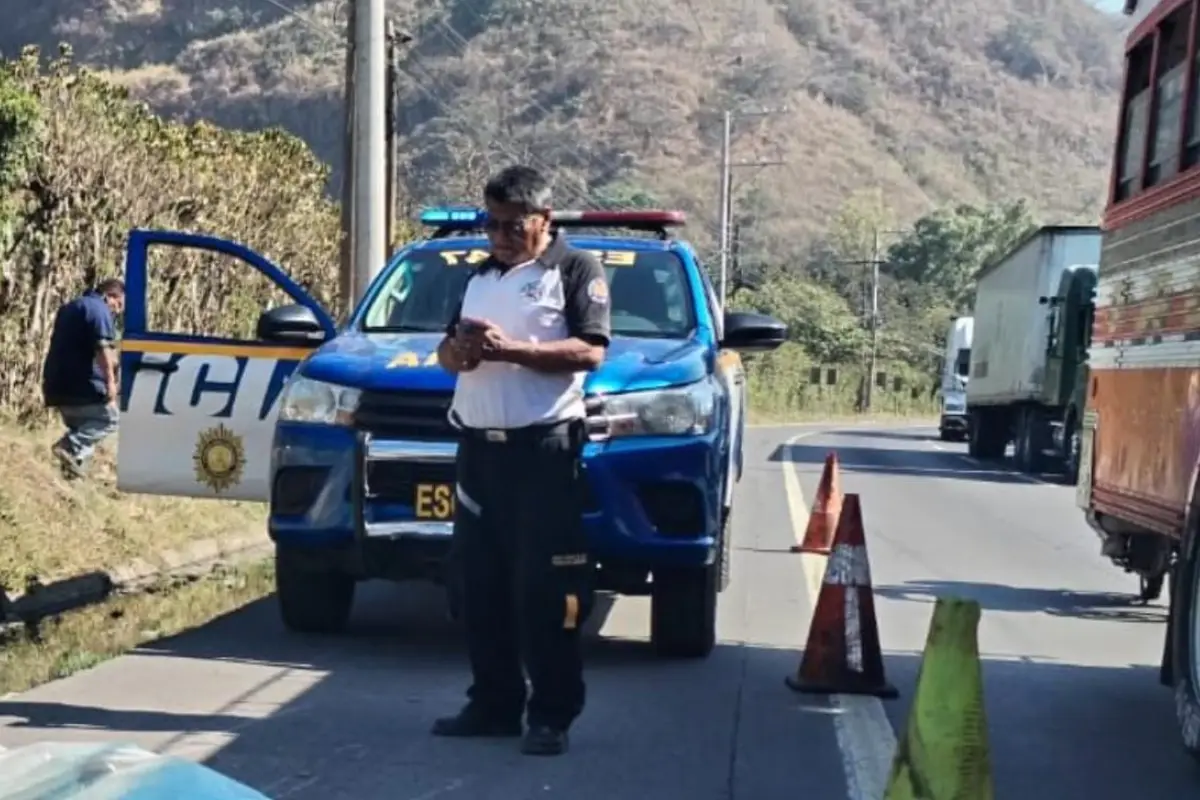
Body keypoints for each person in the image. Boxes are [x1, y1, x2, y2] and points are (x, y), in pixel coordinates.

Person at [433, 165, 611, 756]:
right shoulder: (478, 278)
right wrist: (459, 351)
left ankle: (551, 714)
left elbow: (590, 351)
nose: (502, 236)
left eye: (515, 225)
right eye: (493, 223)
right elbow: (446, 357)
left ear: (545, 220)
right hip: (480, 453)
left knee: (546, 589)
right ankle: (492, 704)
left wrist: (512, 351)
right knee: (478, 585)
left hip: (545, 453)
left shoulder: (573, 270)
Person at [42, 278, 125, 479]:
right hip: (82, 386)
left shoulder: (70, 307)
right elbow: (103, 350)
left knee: (83, 432)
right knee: (111, 420)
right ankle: (67, 446)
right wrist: (111, 384)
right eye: (119, 304)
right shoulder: (98, 310)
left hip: (56, 386)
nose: (118, 311)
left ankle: (72, 483)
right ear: (110, 296)